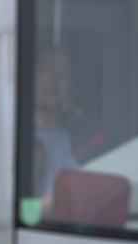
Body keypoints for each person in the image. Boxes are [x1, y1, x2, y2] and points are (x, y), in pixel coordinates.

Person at [31, 48, 114, 211]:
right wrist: (45, 206)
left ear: (69, 85)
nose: (54, 82)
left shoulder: (90, 137)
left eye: (62, 75)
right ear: (31, 75)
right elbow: (7, 214)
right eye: (47, 70)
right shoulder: (14, 141)